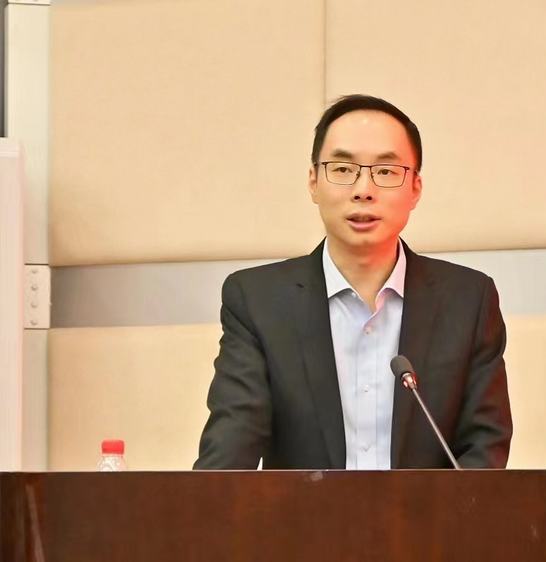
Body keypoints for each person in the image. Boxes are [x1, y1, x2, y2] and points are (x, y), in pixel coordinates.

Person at [194, 94, 512, 470]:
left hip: (431, 512)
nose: (363, 190)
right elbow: (231, 452)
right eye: (343, 169)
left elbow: (483, 451)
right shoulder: (259, 302)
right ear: (313, 182)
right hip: (304, 511)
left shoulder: (468, 301)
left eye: (386, 171)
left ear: (415, 188)